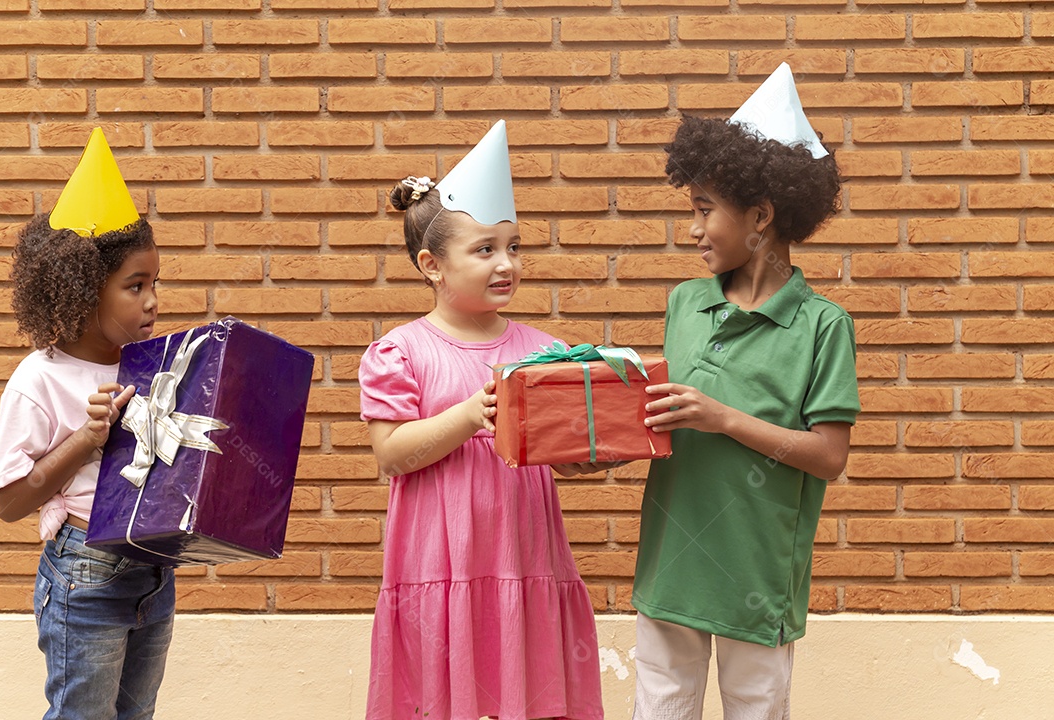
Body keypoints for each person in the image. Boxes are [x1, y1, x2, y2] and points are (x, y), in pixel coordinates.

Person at [631, 63, 861, 719]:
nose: (695, 228)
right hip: (671, 568)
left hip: (757, 581)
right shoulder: (684, 303)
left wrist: (723, 418)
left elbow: (828, 456)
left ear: (760, 216)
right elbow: (665, 424)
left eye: (706, 211)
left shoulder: (822, 326)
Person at [359, 121, 604, 720]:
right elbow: (392, 453)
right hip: (436, 565)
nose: (506, 264)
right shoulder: (399, 352)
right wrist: (471, 414)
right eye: (485, 249)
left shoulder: (547, 351)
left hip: (524, 560)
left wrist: (596, 449)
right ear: (431, 265)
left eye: (514, 247)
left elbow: (566, 462)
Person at [0, 128, 172, 720]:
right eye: (135, 286)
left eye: (154, 284)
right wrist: (85, 440)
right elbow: (8, 503)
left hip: (153, 569)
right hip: (83, 576)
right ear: (86, 291)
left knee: (134, 714)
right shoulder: (38, 379)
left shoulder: (156, 364)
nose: (152, 301)